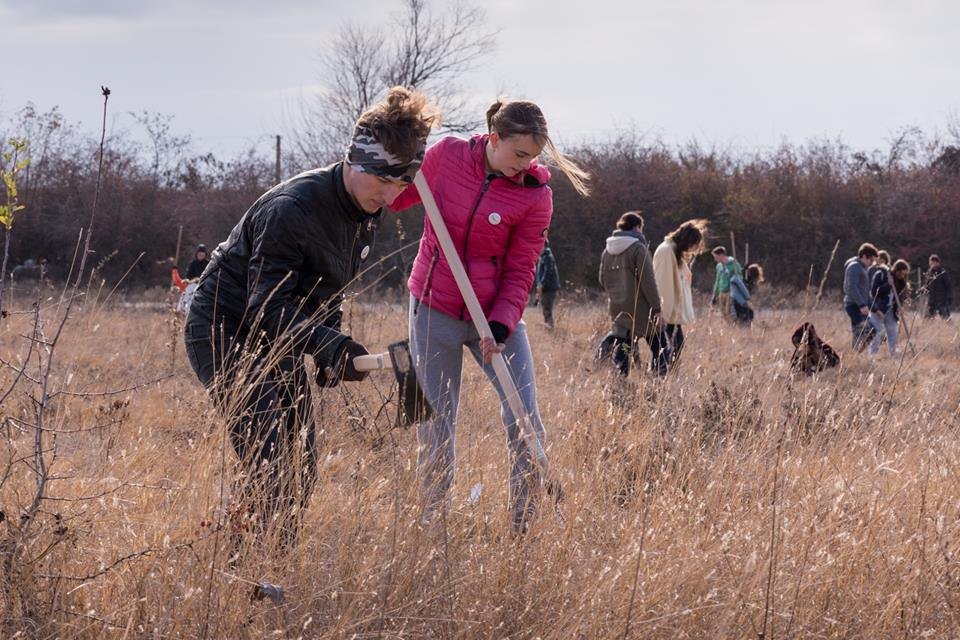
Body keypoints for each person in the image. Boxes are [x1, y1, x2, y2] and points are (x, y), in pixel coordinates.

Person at [182, 87, 437, 548]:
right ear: (355, 161)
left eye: (401, 185)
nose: (389, 194)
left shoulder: (365, 212)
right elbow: (265, 306)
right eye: (382, 180)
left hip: (279, 337)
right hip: (224, 328)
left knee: (301, 462)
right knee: (271, 455)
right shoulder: (293, 209)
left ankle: (272, 562)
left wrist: (329, 348)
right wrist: (330, 345)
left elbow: (327, 288)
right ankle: (246, 571)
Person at [390, 98, 590, 531]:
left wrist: (500, 324)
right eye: (519, 154)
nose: (525, 165)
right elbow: (397, 199)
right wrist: (398, 162)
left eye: (533, 158)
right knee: (435, 423)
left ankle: (525, 524)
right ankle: (434, 525)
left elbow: (522, 269)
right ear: (494, 139)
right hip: (433, 307)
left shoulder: (536, 196)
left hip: (495, 316)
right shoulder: (446, 156)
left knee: (525, 417)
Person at [599, 211, 669, 377]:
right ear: (637, 227)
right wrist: (657, 308)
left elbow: (602, 280)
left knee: (623, 349)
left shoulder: (607, 251)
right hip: (642, 308)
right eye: (641, 228)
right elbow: (648, 282)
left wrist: (618, 294)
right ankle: (659, 382)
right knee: (660, 346)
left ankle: (620, 383)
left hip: (618, 308)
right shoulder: (638, 248)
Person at [653, 219, 707, 364]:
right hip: (666, 314)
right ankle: (662, 377)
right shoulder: (666, 251)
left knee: (675, 346)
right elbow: (663, 284)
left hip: (672, 312)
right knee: (669, 348)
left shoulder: (673, 251)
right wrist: (663, 313)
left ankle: (667, 377)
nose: (691, 248)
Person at [842, 242, 879, 351]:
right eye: (870, 260)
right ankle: (855, 355)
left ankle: (855, 355)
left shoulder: (862, 268)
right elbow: (851, 288)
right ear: (863, 256)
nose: (872, 263)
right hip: (854, 305)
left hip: (859, 305)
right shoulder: (854, 267)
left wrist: (874, 308)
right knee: (866, 331)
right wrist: (862, 305)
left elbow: (864, 292)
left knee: (862, 333)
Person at [869, 258, 910, 356]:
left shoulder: (901, 282)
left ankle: (894, 354)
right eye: (901, 273)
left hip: (891, 311)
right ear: (897, 270)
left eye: (904, 274)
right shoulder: (882, 275)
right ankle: (872, 356)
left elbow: (900, 297)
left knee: (893, 333)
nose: (902, 276)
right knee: (877, 334)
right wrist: (888, 285)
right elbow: (873, 292)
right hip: (878, 309)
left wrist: (900, 307)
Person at [534, 234, 561, 328]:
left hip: (548, 288)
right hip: (545, 288)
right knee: (545, 308)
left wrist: (541, 284)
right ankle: (548, 327)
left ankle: (550, 328)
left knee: (547, 309)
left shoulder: (547, 256)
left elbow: (548, 272)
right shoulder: (542, 256)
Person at [710, 246, 744, 316]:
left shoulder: (734, 264)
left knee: (729, 313)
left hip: (730, 291)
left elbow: (740, 277)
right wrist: (714, 295)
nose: (715, 259)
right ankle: (728, 327)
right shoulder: (719, 266)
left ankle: (735, 326)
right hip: (721, 292)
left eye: (715, 256)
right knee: (724, 315)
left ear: (721, 255)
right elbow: (717, 280)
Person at [926, 254, 952, 318]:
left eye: (934, 262)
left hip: (942, 300)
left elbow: (948, 286)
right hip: (932, 300)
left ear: (938, 263)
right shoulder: (929, 273)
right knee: (928, 319)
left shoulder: (943, 273)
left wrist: (949, 297)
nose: (933, 264)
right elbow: (927, 285)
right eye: (931, 263)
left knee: (946, 318)